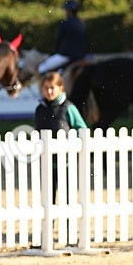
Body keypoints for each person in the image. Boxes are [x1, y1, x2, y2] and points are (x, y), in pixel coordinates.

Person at [33, 71, 88, 203]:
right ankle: (49, 223)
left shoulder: (68, 108)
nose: (49, 91)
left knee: (67, 195)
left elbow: (82, 128)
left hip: (66, 161)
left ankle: (68, 223)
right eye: (46, 88)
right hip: (47, 161)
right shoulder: (40, 109)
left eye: (52, 87)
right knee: (48, 196)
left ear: (60, 88)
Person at [37, 0, 88, 74]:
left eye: (65, 10)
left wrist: (55, 52)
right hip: (82, 55)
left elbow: (58, 40)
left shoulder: (65, 23)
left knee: (42, 68)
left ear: (68, 11)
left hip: (67, 55)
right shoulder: (82, 23)